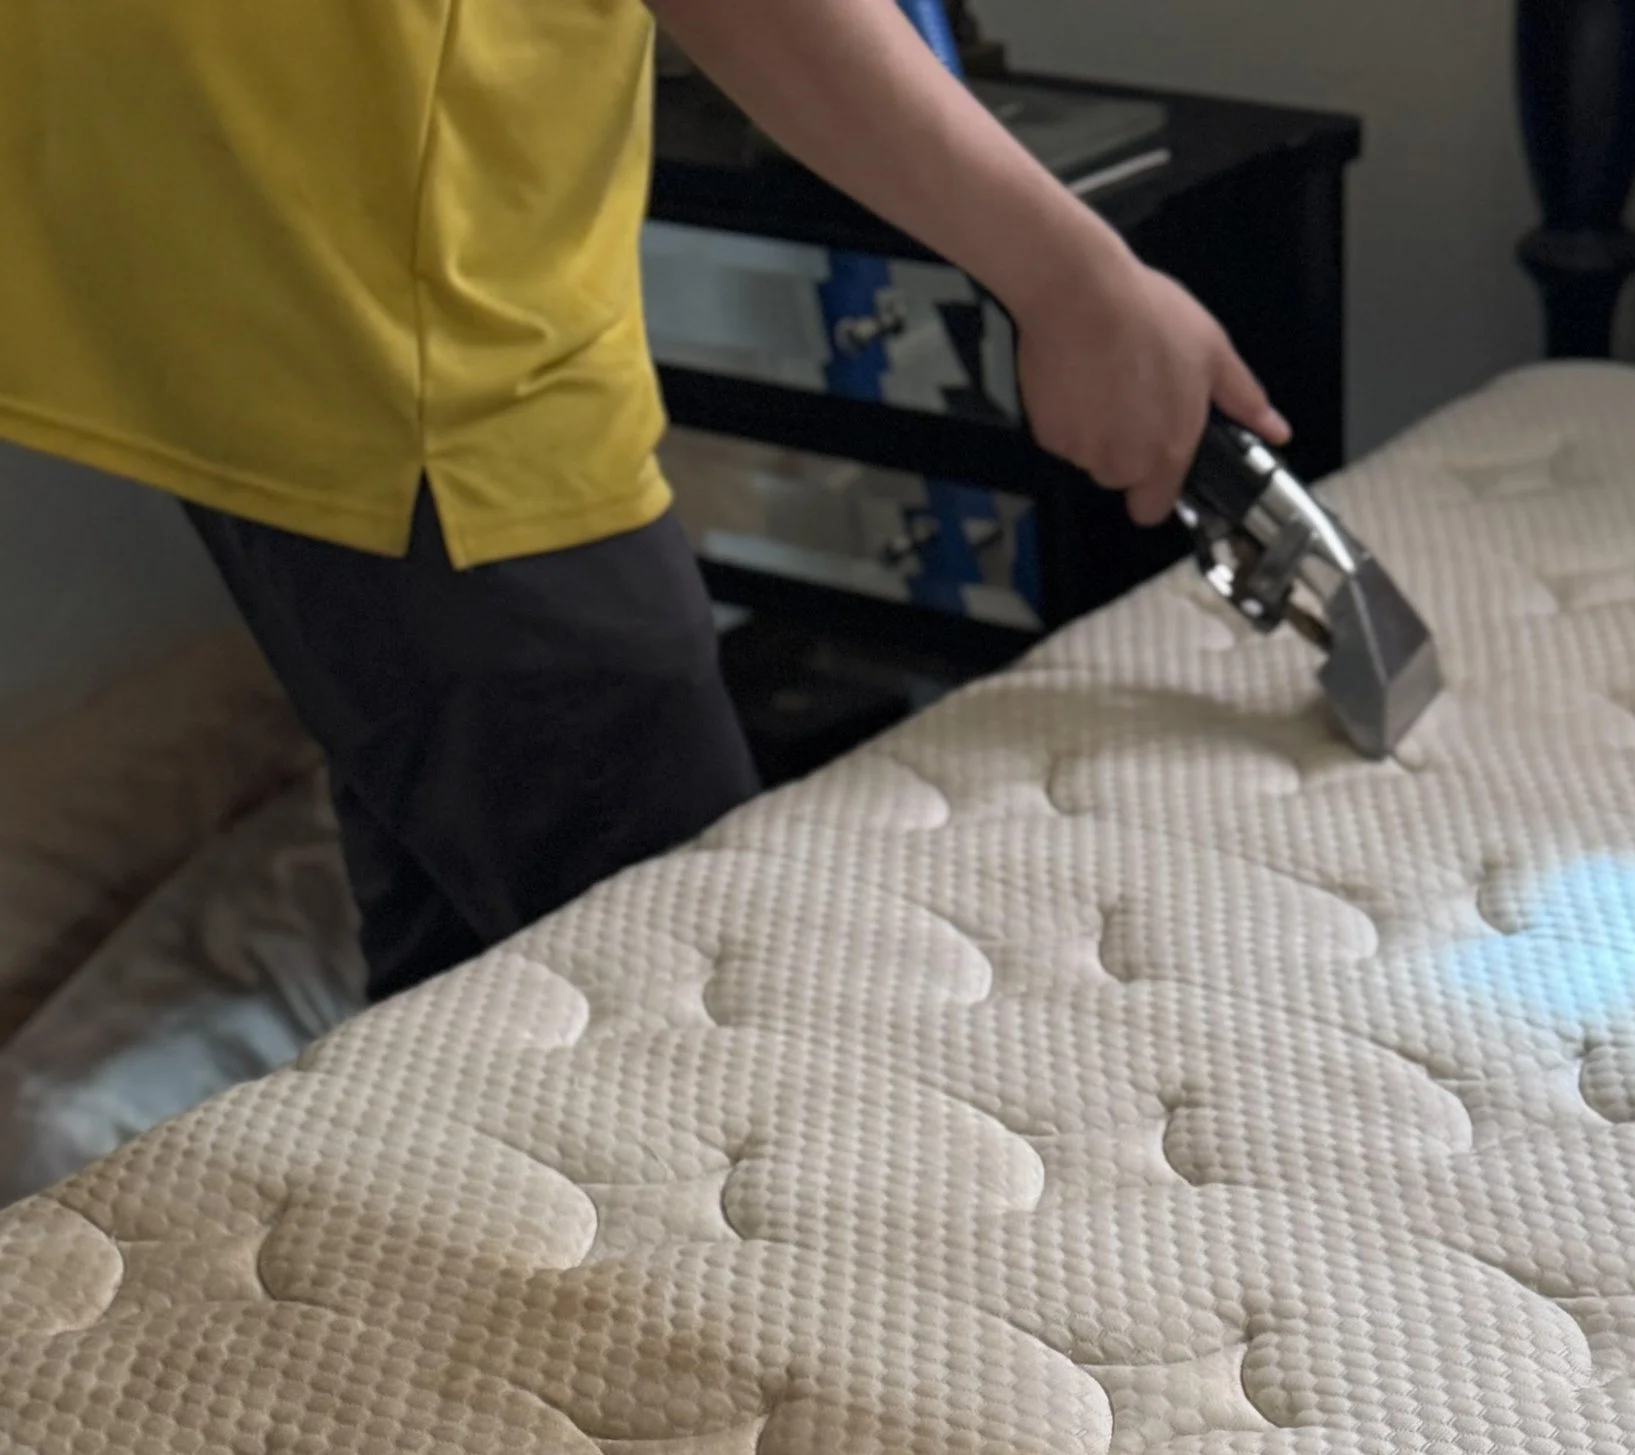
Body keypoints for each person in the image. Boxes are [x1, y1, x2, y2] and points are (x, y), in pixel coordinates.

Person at [0, 0, 1284, 997]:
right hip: (389, 315)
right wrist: (1069, 279)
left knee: (464, 917)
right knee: (696, 978)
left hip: (200, 253)